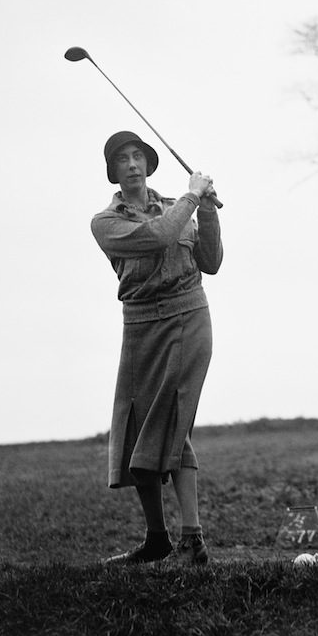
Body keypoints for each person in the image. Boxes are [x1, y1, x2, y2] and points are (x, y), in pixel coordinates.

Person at [91, 131, 222, 565]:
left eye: (138, 156)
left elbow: (212, 262)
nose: (132, 164)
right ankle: (157, 538)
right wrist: (191, 198)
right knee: (136, 428)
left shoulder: (178, 208)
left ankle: (192, 538)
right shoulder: (105, 222)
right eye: (122, 159)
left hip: (188, 316)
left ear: (148, 164)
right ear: (113, 171)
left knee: (172, 422)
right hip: (140, 325)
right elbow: (158, 237)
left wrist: (207, 208)